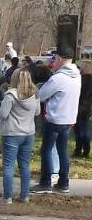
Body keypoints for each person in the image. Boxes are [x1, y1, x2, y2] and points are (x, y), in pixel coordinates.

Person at [31, 50, 81, 194]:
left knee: (46, 150)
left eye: (55, 59)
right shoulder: (77, 76)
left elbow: (41, 95)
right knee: (62, 150)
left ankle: (45, 183)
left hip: (55, 118)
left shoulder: (58, 78)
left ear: (59, 58)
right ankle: (63, 183)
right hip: (69, 117)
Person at [0, 69, 40, 204]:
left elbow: (3, 114)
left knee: (9, 166)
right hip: (28, 133)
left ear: (14, 79)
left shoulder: (10, 95)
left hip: (11, 133)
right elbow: (37, 112)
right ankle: (24, 195)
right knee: (24, 166)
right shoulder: (35, 94)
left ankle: (7, 197)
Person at [74, 65, 92, 158]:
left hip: (79, 105)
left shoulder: (80, 79)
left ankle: (78, 150)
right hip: (88, 107)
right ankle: (86, 150)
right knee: (85, 128)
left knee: (79, 129)